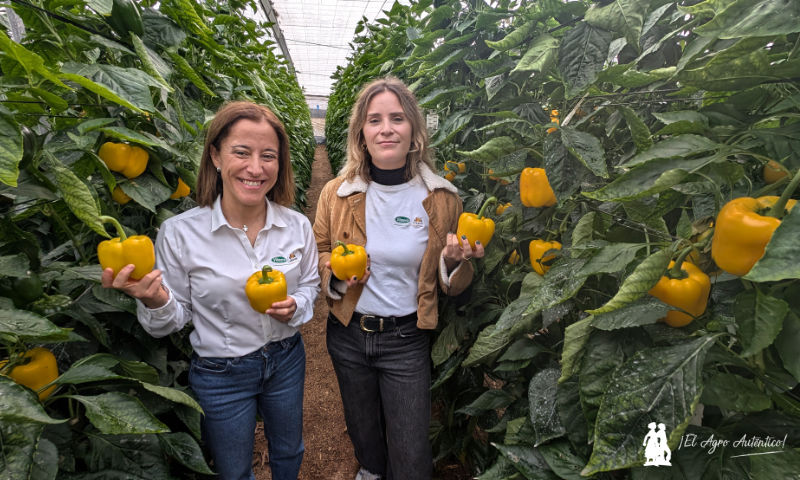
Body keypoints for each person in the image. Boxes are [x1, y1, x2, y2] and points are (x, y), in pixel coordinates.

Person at [102, 101, 320, 480]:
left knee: (289, 451)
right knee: (233, 471)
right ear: (215, 156)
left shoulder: (297, 226)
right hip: (221, 373)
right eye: (241, 152)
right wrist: (155, 299)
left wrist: (296, 306)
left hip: (285, 360)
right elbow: (171, 321)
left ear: (280, 164)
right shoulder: (181, 233)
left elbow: (311, 286)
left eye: (268, 156)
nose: (256, 167)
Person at [313, 77, 482, 480]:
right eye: (374, 120)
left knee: (409, 454)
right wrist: (334, 276)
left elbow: (453, 282)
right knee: (363, 428)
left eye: (397, 118)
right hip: (348, 333)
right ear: (361, 133)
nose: (386, 128)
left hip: (406, 339)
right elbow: (319, 250)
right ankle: (370, 469)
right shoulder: (336, 194)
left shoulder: (443, 199)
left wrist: (456, 263)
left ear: (414, 132)